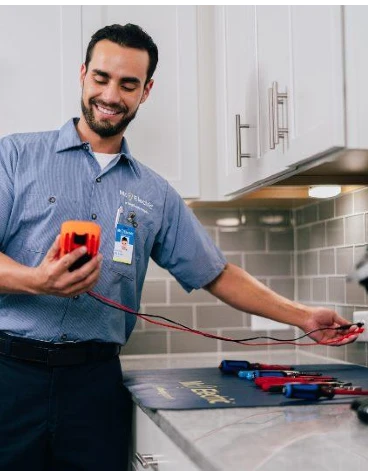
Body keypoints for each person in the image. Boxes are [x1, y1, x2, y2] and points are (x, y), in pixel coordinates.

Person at [0, 23, 359, 471]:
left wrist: (304, 317)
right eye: (101, 78)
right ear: (82, 75)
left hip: (94, 387)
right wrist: (36, 280)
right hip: (9, 376)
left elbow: (217, 273)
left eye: (128, 84)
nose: (111, 95)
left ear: (145, 91)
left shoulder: (155, 192)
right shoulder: (14, 157)